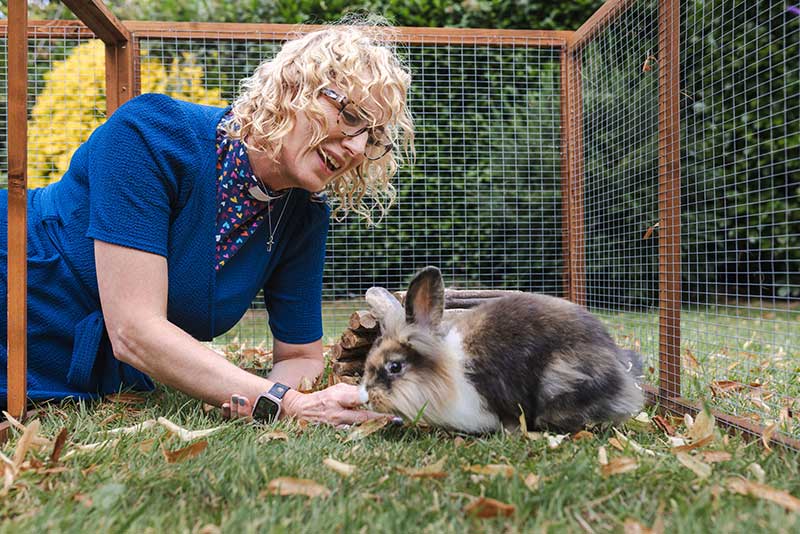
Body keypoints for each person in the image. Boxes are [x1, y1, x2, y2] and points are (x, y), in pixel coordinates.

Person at [0, 20, 414, 427]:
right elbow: (134, 329)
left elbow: (299, 356)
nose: (358, 147)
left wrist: (266, 402)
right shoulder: (151, 135)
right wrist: (284, 403)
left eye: (373, 137)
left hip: (96, 382)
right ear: (295, 88)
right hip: (15, 292)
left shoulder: (304, 212)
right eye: (351, 115)